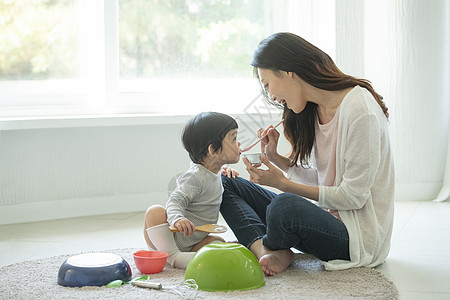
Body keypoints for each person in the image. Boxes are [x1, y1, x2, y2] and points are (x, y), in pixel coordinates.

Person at [220, 32, 395, 276]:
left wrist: (284, 185)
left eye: (268, 84)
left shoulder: (359, 112)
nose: (270, 95)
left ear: (288, 71)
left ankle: (272, 243)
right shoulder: (315, 111)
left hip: (354, 239)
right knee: (227, 185)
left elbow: (352, 197)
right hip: (322, 219)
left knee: (285, 207)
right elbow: (325, 180)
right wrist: (277, 160)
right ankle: (267, 250)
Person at [144, 112, 241, 269]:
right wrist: (177, 219)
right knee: (154, 211)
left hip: (193, 240)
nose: (239, 144)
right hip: (170, 239)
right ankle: (172, 257)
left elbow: (213, 178)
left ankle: (184, 255)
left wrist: (227, 172)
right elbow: (175, 201)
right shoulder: (195, 177)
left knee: (218, 243)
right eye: (234, 139)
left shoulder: (214, 172)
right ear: (214, 151)